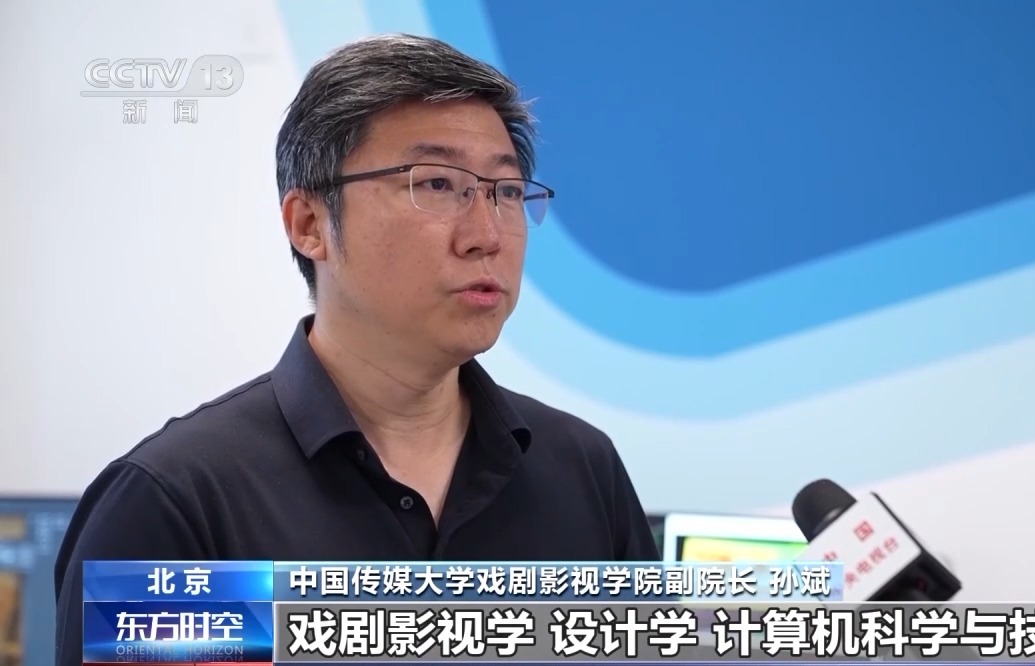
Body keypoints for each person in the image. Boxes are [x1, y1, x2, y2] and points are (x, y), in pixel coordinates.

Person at [54, 34, 659, 663]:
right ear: (309, 224)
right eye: (437, 184)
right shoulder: (175, 503)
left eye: (505, 192)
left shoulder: (582, 468)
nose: (487, 235)